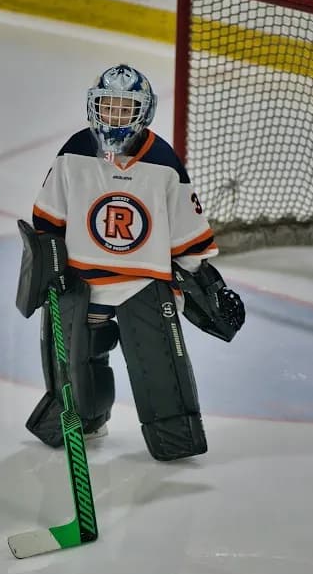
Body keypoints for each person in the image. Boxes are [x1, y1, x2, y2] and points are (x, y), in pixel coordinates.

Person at [14, 64, 245, 461]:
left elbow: (188, 237)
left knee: (160, 370)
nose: (114, 117)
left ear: (143, 111)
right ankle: (84, 419)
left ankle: (174, 435)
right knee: (76, 362)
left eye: (125, 108)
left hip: (145, 283)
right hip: (82, 282)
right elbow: (47, 223)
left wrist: (200, 282)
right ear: (94, 107)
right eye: (107, 107)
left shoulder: (163, 163)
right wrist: (48, 266)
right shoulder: (74, 152)